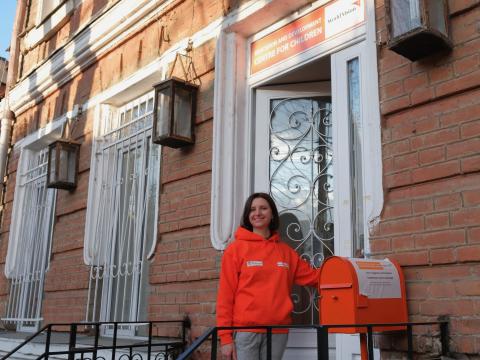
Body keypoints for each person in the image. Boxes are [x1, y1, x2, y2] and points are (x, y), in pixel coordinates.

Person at [216, 192, 320, 360]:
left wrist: (345, 271)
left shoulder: (286, 252)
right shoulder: (235, 250)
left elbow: (314, 277)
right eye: (252, 209)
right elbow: (225, 297)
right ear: (247, 215)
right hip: (246, 332)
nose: (257, 213)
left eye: (263, 208)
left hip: (277, 331)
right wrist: (225, 337)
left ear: (272, 214)